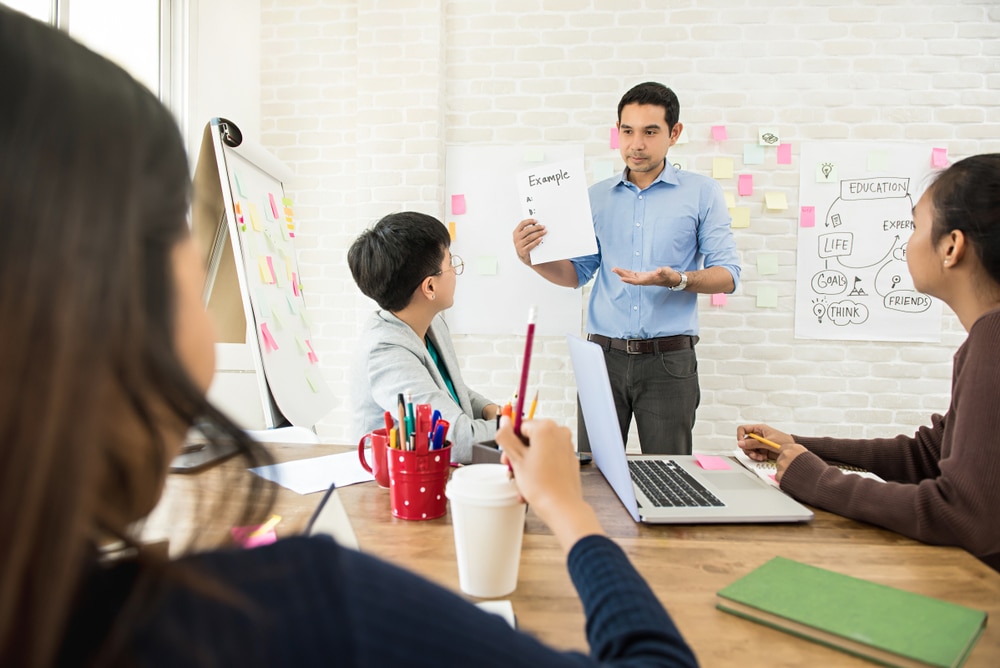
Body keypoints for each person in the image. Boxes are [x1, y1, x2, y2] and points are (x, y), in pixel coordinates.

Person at [0, 9, 698, 667]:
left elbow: (460, 400)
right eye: (178, 234)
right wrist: (567, 510)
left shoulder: (434, 326)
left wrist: (490, 412)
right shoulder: (305, 601)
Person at [738, 154, 1000, 573]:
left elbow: (963, 514)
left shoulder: (993, 341)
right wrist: (796, 446)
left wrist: (817, 480)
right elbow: (927, 455)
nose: (905, 242)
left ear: (951, 247)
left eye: (915, 227)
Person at [513, 82, 741, 456]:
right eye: (627, 130)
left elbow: (728, 275)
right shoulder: (596, 197)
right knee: (594, 476)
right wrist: (532, 259)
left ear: (674, 133)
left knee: (670, 475)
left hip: (669, 363)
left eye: (650, 132)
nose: (636, 143)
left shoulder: (703, 193)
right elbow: (577, 274)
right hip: (602, 358)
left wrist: (677, 280)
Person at [348, 212, 501, 463]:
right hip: (390, 486)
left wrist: (489, 410)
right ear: (430, 287)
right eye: (450, 262)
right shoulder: (385, 352)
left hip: (436, 471)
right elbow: (456, 440)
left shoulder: (432, 323)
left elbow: (449, 390)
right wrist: (517, 429)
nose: (455, 271)